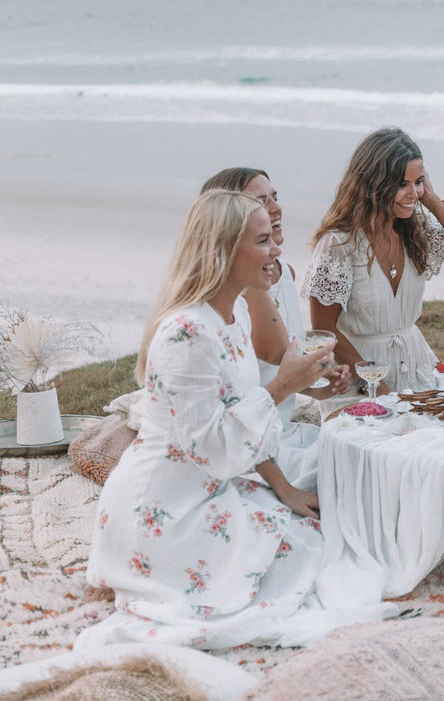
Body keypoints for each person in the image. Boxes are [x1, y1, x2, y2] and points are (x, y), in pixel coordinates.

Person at [79, 190, 393, 649]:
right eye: (263, 241)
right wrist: (283, 385)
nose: (277, 251)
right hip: (164, 512)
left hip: (208, 486)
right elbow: (208, 447)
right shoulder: (186, 332)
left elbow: (241, 409)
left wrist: (283, 486)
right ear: (224, 250)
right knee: (304, 564)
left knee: (320, 530)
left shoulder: (234, 312)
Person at [302, 127, 444, 395]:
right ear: (373, 183)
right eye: (402, 184)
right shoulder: (339, 243)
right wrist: (377, 385)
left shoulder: (417, 230)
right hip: (359, 377)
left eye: (418, 182)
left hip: (419, 369)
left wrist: (432, 200)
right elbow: (324, 329)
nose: (413, 194)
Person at [200, 168, 350, 491]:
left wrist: (322, 386)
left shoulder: (284, 273)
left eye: (275, 197)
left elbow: (279, 374)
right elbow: (281, 356)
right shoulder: (240, 294)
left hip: (282, 428)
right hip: (258, 441)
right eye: (260, 201)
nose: (276, 208)